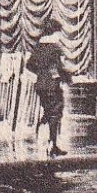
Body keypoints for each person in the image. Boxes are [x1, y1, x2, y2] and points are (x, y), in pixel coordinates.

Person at [25, 17, 71, 157]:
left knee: (48, 111)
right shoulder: (55, 48)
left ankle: (41, 136)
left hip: (40, 86)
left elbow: (29, 65)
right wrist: (67, 78)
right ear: (55, 32)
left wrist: (40, 74)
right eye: (58, 32)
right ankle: (52, 144)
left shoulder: (38, 47)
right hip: (52, 86)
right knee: (56, 113)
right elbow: (60, 68)